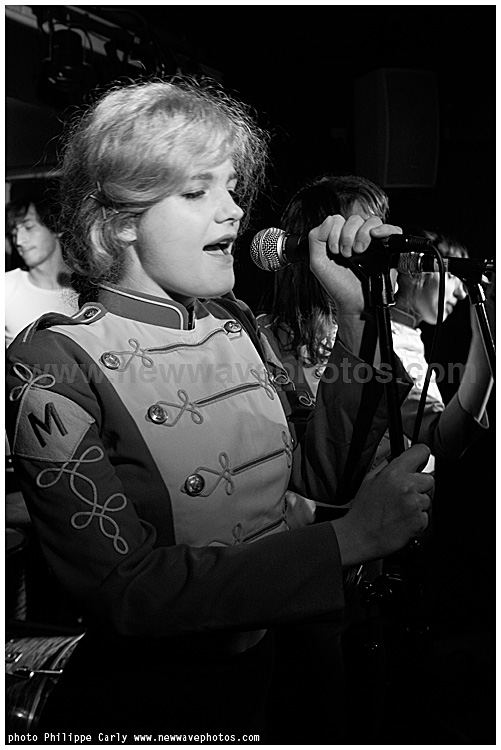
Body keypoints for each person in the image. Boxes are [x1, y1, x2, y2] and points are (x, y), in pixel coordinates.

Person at [5, 78, 433, 740]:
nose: (233, 211)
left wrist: (355, 314)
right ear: (120, 221)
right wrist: (348, 541)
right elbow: (125, 589)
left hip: (276, 669)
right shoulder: (55, 360)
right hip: (158, 702)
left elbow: (314, 480)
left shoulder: (233, 322)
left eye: (231, 188)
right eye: (196, 192)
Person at [257, 174, 494, 742]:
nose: (382, 243)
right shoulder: (261, 341)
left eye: (383, 229)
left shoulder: (393, 340)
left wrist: (487, 345)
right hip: (303, 577)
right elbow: (310, 479)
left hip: (377, 577)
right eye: (363, 229)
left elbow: (442, 440)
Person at [5, 193, 79, 347]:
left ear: (56, 227)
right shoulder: (5, 288)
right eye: (13, 233)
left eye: (29, 227)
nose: (19, 241)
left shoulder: (87, 289)